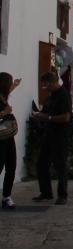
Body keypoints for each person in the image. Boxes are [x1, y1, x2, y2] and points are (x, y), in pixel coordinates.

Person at [32, 71, 72, 205]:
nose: (45, 88)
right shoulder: (51, 96)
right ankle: (46, 192)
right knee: (42, 163)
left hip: (60, 136)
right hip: (48, 135)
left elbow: (66, 117)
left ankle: (62, 195)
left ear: (53, 82)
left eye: (45, 85)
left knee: (60, 165)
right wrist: (39, 115)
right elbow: (46, 111)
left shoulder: (63, 95)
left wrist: (47, 118)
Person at [0, 72, 21, 210]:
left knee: (11, 166)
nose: (11, 85)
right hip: (0, 138)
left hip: (8, 136)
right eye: (10, 82)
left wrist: (15, 85)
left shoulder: (3, 96)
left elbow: (8, 92)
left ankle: (6, 196)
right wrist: (4, 112)